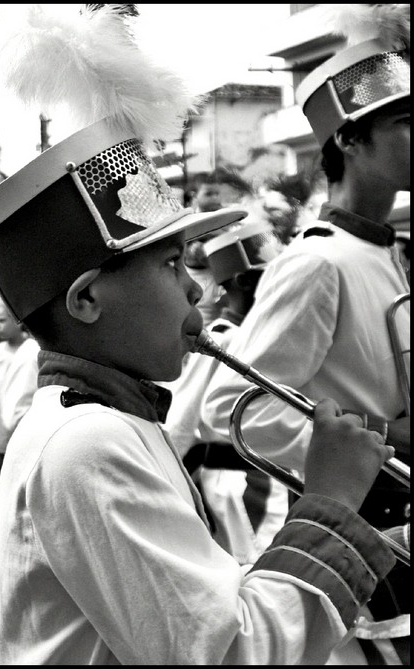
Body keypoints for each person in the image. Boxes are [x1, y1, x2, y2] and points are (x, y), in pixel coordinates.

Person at [0, 4, 397, 663]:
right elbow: (230, 651)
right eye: (172, 266)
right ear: (87, 299)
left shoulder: (112, 420)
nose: (197, 287)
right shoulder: (88, 442)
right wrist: (330, 503)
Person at [202, 22, 410, 664]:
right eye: (404, 120)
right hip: (364, 530)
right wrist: (378, 438)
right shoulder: (319, 261)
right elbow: (233, 407)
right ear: (349, 137)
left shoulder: (382, 251)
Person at [164, 219, 290, 565]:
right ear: (243, 280)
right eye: (272, 276)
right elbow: (181, 418)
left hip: (263, 478)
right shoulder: (223, 339)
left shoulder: (257, 336)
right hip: (238, 487)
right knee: (257, 572)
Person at [186, 168, 255, 327]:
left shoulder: (228, 220)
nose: (215, 199)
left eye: (217, 194)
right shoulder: (189, 228)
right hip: (202, 310)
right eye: (209, 194)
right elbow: (201, 254)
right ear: (194, 197)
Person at [0, 298, 39, 482]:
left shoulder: (30, 349)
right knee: (0, 455)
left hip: (21, 413)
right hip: (0, 410)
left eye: (2, 321)